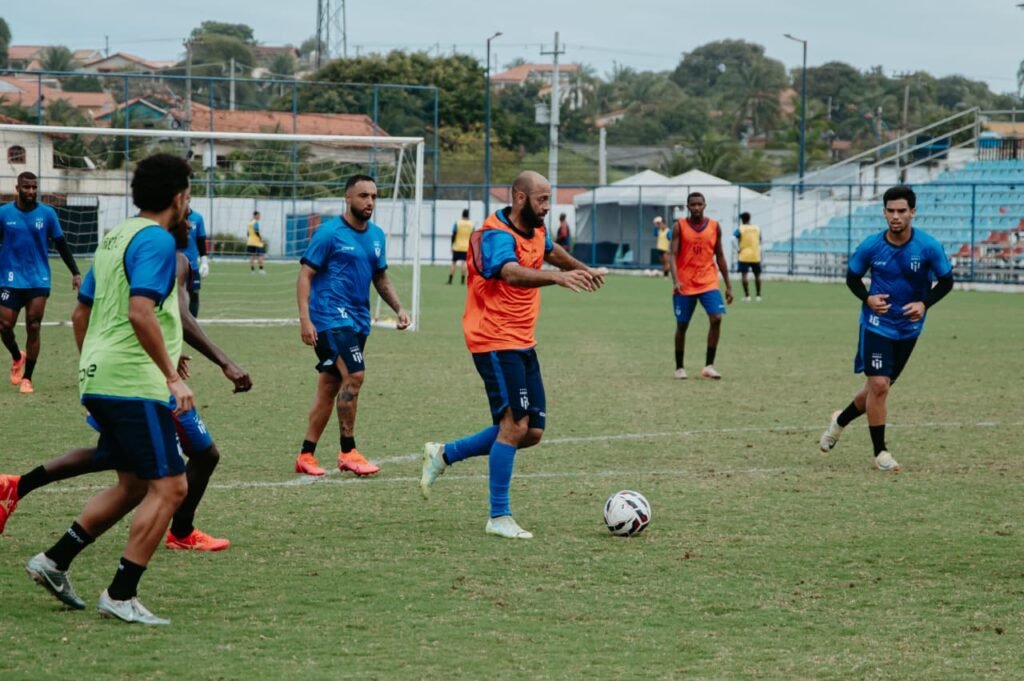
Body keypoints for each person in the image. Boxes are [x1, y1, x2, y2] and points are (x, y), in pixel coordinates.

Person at [22, 153, 194, 625]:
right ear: (179, 197)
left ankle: (54, 561)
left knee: (135, 482)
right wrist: (173, 378)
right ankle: (121, 595)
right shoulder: (157, 241)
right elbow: (141, 312)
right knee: (172, 485)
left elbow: (82, 314)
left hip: (101, 374)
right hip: (132, 382)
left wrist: (93, 371)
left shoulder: (114, 236)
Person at [0, 234, 253, 550]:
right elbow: (180, 315)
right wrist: (224, 362)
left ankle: (18, 487)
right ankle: (177, 536)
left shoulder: (113, 248)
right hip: (145, 378)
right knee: (198, 457)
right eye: (185, 204)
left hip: (109, 369)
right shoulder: (172, 259)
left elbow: (87, 313)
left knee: (114, 455)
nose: (190, 218)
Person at [419, 170, 605, 540]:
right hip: (492, 338)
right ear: (520, 198)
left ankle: (443, 454)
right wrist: (556, 278)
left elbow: (550, 249)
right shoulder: (494, 234)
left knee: (532, 431)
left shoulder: (535, 228)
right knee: (514, 425)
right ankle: (498, 516)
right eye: (542, 200)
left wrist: (581, 269)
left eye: (549, 199)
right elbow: (509, 272)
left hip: (522, 340)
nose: (547, 207)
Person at [819, 185, 953, 472]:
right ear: (884, 212)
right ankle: (880, 452)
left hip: (909, 328)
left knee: (875, 389)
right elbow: (852, 277)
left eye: (902, 211)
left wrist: (925, 304)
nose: (896, 216)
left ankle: (839, 422)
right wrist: (867, 297)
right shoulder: (871, 245)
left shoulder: (928, 246)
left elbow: (947, 281)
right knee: (879, 386)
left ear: (912, 212)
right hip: (876, 324)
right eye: (890, 211)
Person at [294, 174, 411, 477]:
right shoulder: (329, 233)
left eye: (373, 196)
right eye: (363, 196)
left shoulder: (376, 236)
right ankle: (348, 450)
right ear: (347, 197)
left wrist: (398, 308)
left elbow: (380, 277)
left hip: (358, 320)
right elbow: (305, 275)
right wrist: (305, 320)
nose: (369, 202)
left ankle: (306, 455)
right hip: (329, 317)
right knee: (355, 374)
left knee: (331, 385)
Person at [0, 172, 83, 394]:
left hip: (38, 278)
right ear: (17, 188)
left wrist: (75, 272)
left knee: (34, 325)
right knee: (4, 325)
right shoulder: (3, 213)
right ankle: (18, 357)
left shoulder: (47, 214)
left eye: (34, 187)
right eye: (26, 187)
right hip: (9, 278)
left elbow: (62, 244)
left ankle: (27, 378)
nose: (31, 191)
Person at [669, 192, 733, 380]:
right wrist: (676, 280)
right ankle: (679, 368)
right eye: (692, 205)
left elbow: (719, 255)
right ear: (687, 207)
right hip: (685, 283)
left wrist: (728, 284)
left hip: (708, 281)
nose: (696, 208)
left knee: (717, 318)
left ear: (705, 205)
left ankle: (709, 366)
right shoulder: (679, 226)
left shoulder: (714, 227)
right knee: (682, 325)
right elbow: (672, 254)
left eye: (699, 204)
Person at [182, 206, 209, 316]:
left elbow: (201, 241)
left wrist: (204, 261)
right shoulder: (170, 216)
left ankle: (193, 324)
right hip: (174, 266)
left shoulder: (197, 218)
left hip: (192, 266)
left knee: (194, 294)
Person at [734, 211, 762, 301]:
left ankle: (747, 296)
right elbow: (760, 240)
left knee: (744, 276)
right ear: (750, 218)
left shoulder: (740, 228)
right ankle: (758, 295)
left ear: (742, 219)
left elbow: (732, 239)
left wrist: (737, 249)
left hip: (744, 255)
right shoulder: (757, 228)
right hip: (755, 255)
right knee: (757, 276)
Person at [448, 209, 473, 285]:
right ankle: (462, 281)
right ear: (468, 215)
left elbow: (454, 234)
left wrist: (452, 245)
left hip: (457, 246)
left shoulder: (457, 223)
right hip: (466, 247)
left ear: (462, 214)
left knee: (453, 262)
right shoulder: (471, 224)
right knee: (464, 263)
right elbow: (473, 236)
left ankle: (450, 280)